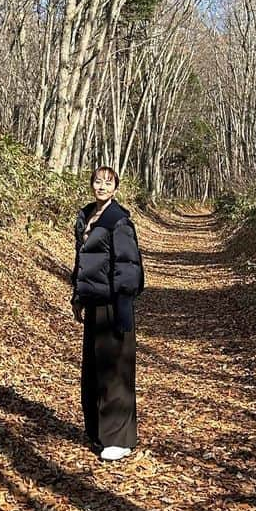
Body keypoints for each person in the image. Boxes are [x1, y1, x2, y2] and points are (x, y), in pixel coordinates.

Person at [70, 165, 144, 461]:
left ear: (116, 187)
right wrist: (78, 297)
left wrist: (123, 300)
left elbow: (128, 263)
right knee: (94, 369)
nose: (101, 186)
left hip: (115, 303)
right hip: (93, 302)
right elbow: (81, 262)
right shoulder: (86, 215)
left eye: (108, 182)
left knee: (116, 369)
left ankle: (120, 439)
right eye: (97, 181)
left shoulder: (119, 219)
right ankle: (99, 431)